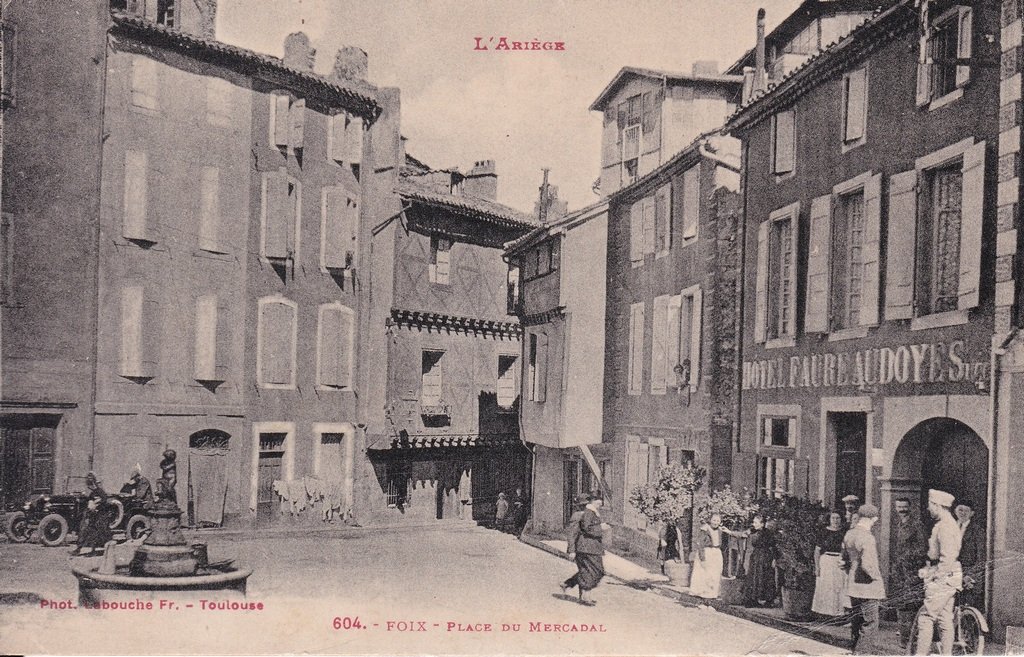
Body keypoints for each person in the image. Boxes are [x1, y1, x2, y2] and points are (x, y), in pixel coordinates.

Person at [916, 488, 963, 656]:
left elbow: (948, 557)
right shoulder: (946, 524)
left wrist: (935, 576)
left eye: (930, 505)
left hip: (944, 577)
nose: (928, 508)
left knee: (926, 616)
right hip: (948, 577)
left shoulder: (946, 527)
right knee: (944, 619)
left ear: (937, 505)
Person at [841, 504, 886, 655]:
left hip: (853, 584)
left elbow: (844, 560)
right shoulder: (867, 537)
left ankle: (854, 650)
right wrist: (877, 578)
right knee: (871, 622)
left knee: (857, 620)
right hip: (868, 587)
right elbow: (868, 565)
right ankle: (863, 653)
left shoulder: (850, 534)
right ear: (873, 519)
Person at [891, 497, 929, 650]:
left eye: (904, 507)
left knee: (911, 606)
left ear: (910, 507)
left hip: (912, 573)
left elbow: (922, 548)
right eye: (899, 507)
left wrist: (906, 557)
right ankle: (905, 639)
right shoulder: (899, 524)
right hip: (900, 572)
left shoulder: (917, 525)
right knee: (902, 605)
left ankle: (912, 641)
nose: (902, 510)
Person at [560, 492, 608, 605]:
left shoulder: (591, 514)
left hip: (589, 547)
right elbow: (572, 534)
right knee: (593, 571)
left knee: (587, 571)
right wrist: (571, 550)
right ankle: (584, 595)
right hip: (584, 548)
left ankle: (569, 585)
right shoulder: (579, 515)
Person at [690, 513, 739, 601]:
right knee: (705, 575)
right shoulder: (705, 529)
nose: (715, 522)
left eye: (718, 521)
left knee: (715, 574)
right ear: (710, 520)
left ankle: (712, 595)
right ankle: (703, 599)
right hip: (707, 552)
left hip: (716, 553)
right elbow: (700, 544)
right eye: (714, 520)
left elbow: (724, 544)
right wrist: (702, 559)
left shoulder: (720, 530)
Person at [812, 510, 849, 617]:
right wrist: (817, 567)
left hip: (839, 561)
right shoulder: (823, 532)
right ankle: (825, 613)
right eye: (833, 518)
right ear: (829, 519)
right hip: (826, 561)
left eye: (838, 518)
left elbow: (846, 549)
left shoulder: (844, 532)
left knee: (839, 586)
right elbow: (817, 551)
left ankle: (838, 613)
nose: (835, 520)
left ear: (841, 519)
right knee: (826, 586)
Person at [73, 472, 114, 556]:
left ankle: (94, 551)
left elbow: (104, 501)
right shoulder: (93, 493)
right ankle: (79, 549)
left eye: (93, 482)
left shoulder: (100, 492)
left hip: (100, 516)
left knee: (98, 533)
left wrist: (97, 506)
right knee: (86, 531)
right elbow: (88, 501)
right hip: (92, 515)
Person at [954, 498, 984, 610]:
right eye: (960, 510)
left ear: (972, 513)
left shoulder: (977, 531)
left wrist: (970, 575)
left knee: (967, 610)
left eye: (966, 511)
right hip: (951, 574)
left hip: (969, 575)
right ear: (955, 511)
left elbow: (981, 558)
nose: (963, 513)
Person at [742, 514, 777, 607]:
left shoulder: (768, 533)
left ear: (762, 524)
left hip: (766, 557)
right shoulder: (752, 532)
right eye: (753, 522)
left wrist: (774, 559)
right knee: (754, 577)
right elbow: (742, 535)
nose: (754, 524)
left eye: (756, 522)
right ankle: (753, 599)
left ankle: (768, 600)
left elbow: (773, 546)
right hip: (756, 556)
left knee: (766, 577)